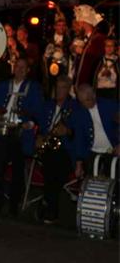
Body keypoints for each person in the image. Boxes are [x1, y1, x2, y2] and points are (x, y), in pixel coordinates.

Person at [0, 58, 43, 216]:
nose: (19, 69)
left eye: (23, 67)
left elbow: (39, 111)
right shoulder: (2, 86)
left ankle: (14, 203)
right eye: (17, 66)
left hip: (21, 133)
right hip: (3, 130)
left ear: (28, 70)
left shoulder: (34, 88)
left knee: (18, 169)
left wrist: (30, 122)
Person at [37, 76, 81, 224]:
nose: (59, 91)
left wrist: (67, 131)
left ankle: (48, 203)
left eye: (62, 88)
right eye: (57, 87)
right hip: (48, 149)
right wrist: (39, 136)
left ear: (68, 90)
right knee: (52, 164)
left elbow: (79, 132)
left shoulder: (75, 107)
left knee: (54, 166)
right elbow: (41, 126)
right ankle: (50, 206)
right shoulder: (47, 105)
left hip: (66, 150)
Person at [73, 84, 119, 178]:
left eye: (87, 100)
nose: (84, 104)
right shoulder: (79, 113)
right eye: (81, 102)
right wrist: (79, 164)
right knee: (91, 182)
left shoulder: (110, 105)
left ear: (94, 95)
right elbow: (79, 139)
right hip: (92, 153)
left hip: (114, 151)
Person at [73, 4, 106, 87]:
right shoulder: (81, 38)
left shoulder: (98, 38)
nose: (76, 27)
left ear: (83, 23)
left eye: (78, 24)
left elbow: (98, 57)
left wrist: (83, 51)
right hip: (79, 83)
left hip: (90, 84)